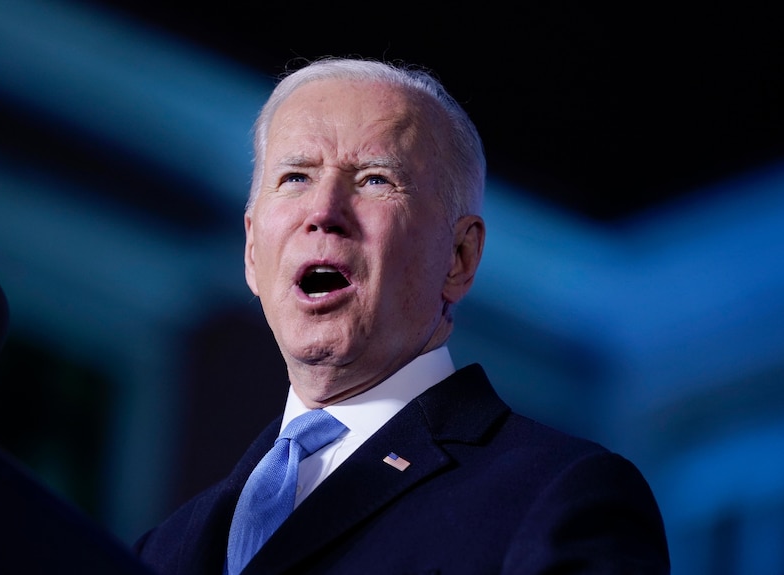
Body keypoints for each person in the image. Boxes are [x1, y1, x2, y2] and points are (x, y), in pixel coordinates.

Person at [134, 56, 670, 574]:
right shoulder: (160, 551)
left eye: (374, 180)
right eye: (296, 176)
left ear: (459, 258)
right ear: (252, 251)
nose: (323, 213)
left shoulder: (555, 495)